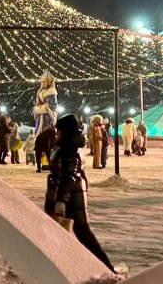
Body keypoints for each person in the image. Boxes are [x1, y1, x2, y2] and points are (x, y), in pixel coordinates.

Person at [44, 114, 114, 272]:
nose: (57, 133)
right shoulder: (66, 146)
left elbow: (68, 177)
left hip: (71, 198)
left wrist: (61, 200)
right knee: (66, 233)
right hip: (67, 195)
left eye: (59, 130)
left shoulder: (70, 149)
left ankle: (107, 269)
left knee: (82, 233)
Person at [34, 69, 58, 134]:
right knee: (38, 130)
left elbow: (54, 106)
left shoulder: (51, 93)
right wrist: (37, 108)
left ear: (48, 82)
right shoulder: (40, 92)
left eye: (44, 82)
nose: (43, 83)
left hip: (48, 116)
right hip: (40, 116)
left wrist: (45, 108)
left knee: (47, 131)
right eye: (42, 82)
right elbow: (37, 103)